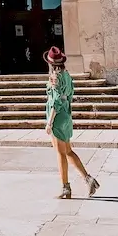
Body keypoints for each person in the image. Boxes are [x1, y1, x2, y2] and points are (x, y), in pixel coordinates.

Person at [44, 46, 100, 199]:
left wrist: (49, 122)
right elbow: (70, 94)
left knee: (60, 153)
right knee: (67, 150)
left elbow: (55, 100)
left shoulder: (54, 77)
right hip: (66, 115)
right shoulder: (67, 75)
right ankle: (89, 179)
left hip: (57, 117)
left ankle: (65, 188)